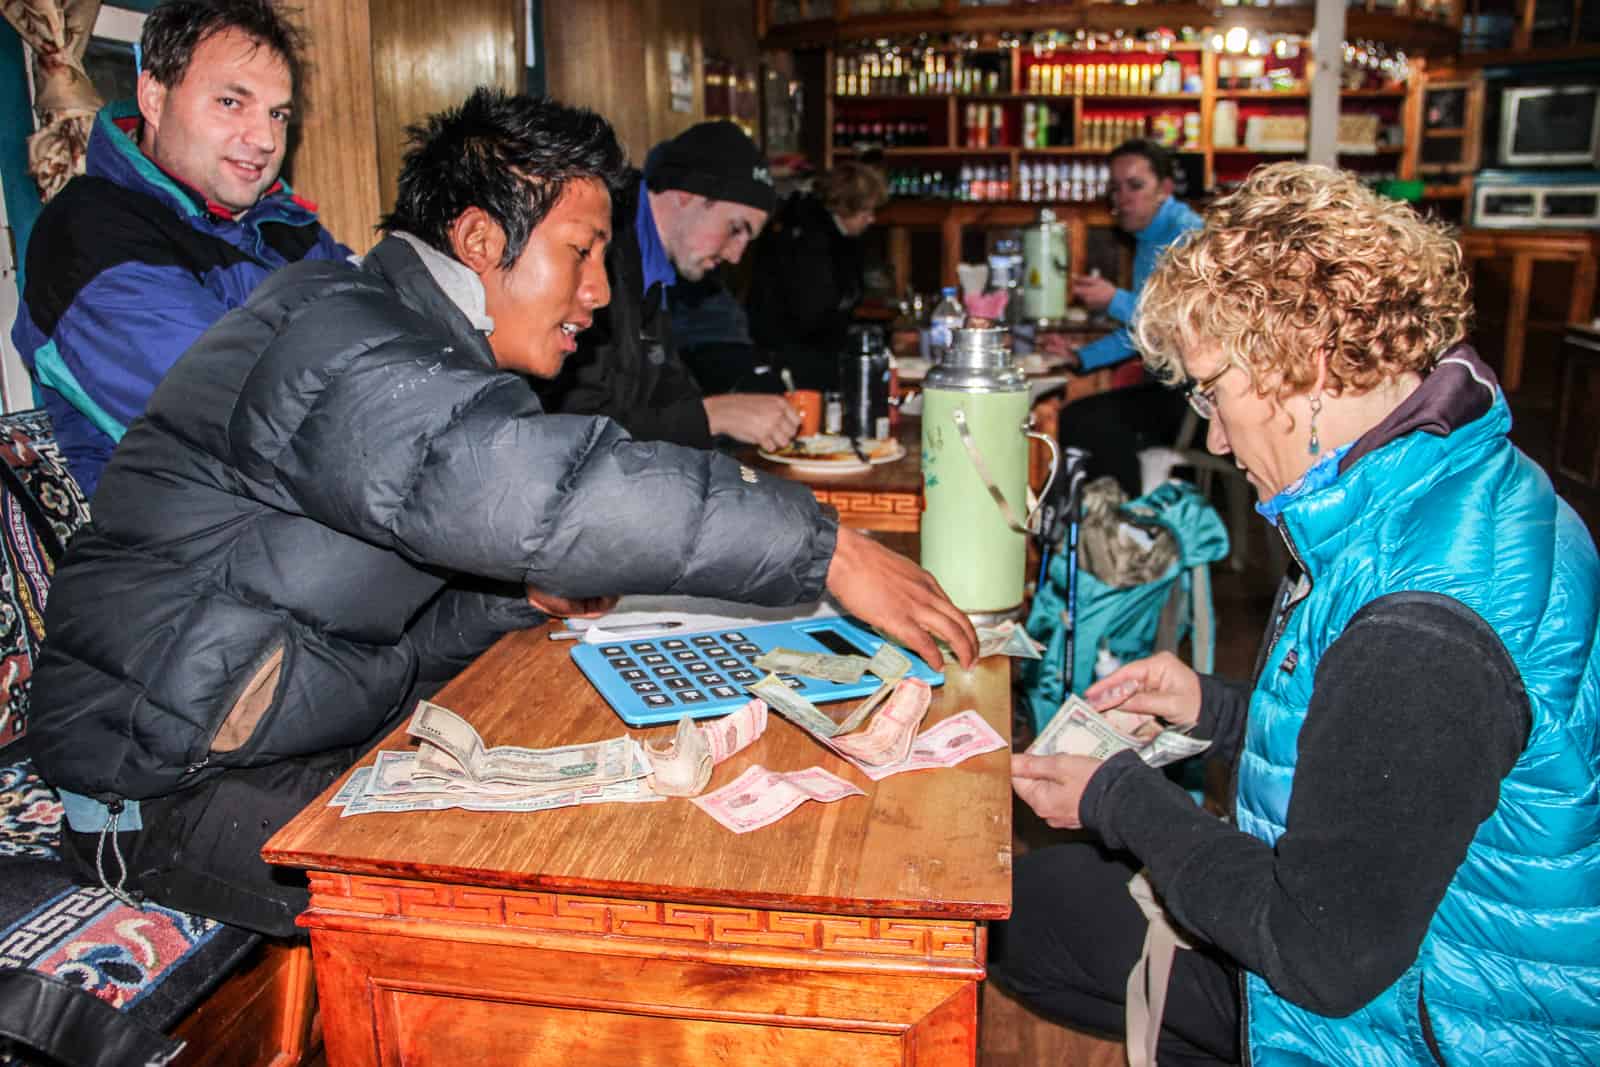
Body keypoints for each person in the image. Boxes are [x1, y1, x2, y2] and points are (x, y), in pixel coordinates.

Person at [29, 89, 977, 939]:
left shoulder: (412, 346)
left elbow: (372, 629)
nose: (599, 293)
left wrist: (514, 598)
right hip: (158, 796)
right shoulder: (345, 339)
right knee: (577, 903)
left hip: (260, 745)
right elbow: (542, 490)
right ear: (483, 241)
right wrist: (828, 550)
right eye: (580, 252)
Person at [993, 163, 1600, 1064]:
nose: (1218, 438)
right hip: (1429, 958)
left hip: (1429, 1026)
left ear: (1308, 363)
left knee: (1022, 920)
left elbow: (1324, 952)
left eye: (1214, 391)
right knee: (1052, 900)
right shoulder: (1463, 480)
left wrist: (1118, 797)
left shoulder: (1421, 631)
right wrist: (1216, 708)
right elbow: (1395, 765)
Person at [10, 0, 350, 497]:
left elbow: (387, 330)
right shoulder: (90, 235)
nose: (263, 139)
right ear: (153, 95)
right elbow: (243, 413)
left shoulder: (282, 223)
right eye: (231, 102)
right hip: (196, 553)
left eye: (277, 114)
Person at [539, 120, 800, 452]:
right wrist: (712, 416)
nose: (736, 256)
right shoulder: (603, 256)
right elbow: (570, 428)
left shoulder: (652, 263)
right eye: (735, 229)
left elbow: (666, 390)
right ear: (687, 195)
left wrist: (732, 412)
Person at [1049, 139, 1202, 496]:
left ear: (1164, 189)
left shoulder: (1185, 234)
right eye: (1115, 188)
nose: (1122, 198)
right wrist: (1080, 357)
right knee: (1081, 419)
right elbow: (1142, 331)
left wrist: (1113, 299)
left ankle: (1122, 529)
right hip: (1170, 385)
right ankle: (1100, 526)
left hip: (1195, 397)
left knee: (1083, 422)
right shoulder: (1150, 237)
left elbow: (1172, 322)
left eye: (1135, 186)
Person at [745, 161, 888, 391]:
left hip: (804, 350)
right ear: (845, 206)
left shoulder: (831, 233)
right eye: (866, 211)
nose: (872, 219)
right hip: (792, 356)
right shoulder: (809, 239)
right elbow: (813, 311)